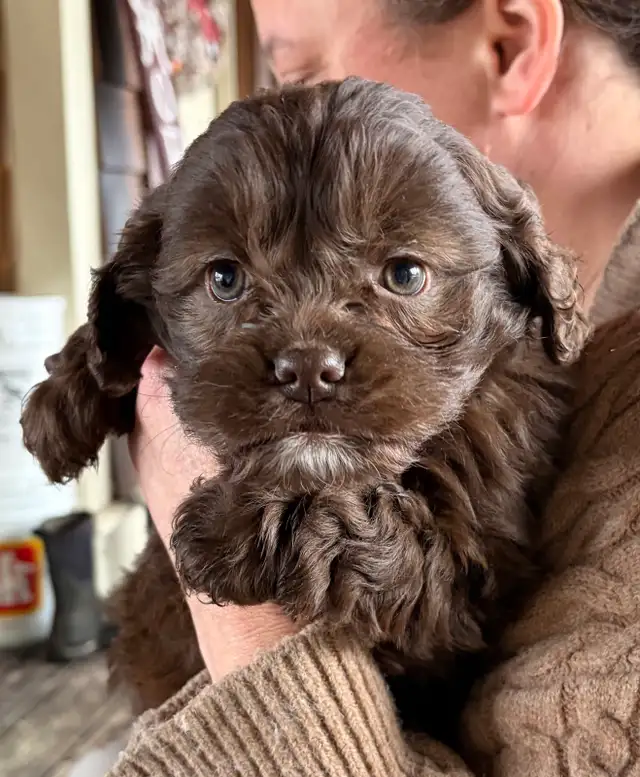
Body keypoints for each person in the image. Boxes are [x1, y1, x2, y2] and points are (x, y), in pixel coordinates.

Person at [110, 1, 640, 775]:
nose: (286, 117)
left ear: (509, 44)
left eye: (298, 73)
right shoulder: (552, 318)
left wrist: (250, 627)